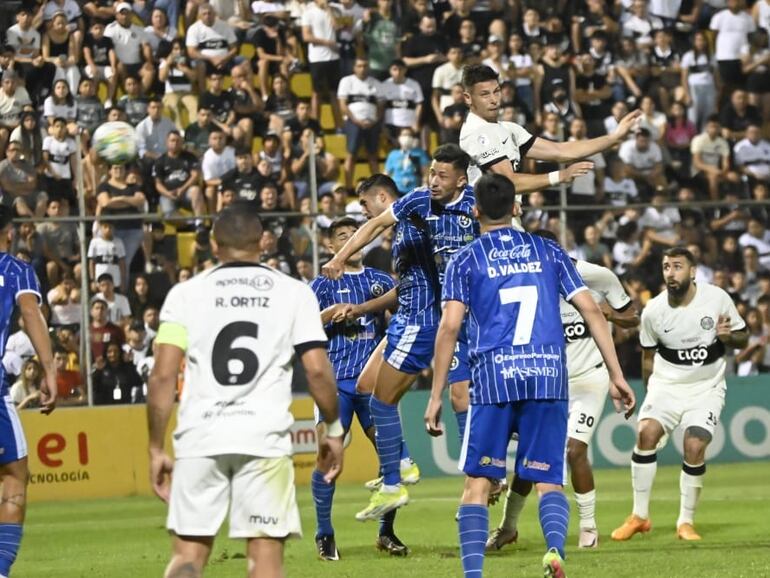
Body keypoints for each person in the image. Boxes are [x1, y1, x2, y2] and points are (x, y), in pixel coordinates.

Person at [423, 173, 635, 578]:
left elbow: (450, 327)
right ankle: (555, 552)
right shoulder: (548, 250)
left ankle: (473, 574)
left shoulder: (464, 259)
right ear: (516, 208)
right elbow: (592, 309)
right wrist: (617, 374)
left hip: (494, 379)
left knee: (478, 483)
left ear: (474, 211)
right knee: (548, 479)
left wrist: (436, 395)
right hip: (547, 376)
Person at [147, 201, 344, 577]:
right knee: (264, 562)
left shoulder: (185, 294)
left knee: (188, 555)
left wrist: (156, 448)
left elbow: (161, 377)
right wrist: (333, 430)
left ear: (212, 244)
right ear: (263, 242)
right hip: (263, 439)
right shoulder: (294, 293)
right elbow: (318, 372)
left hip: (199, 438)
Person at [322, 145, 479, 520]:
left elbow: (499, 192)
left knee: (443, 397)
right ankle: (403, 465)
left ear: (381, 197)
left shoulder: (421, 215)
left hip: (425, 319)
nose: (362, 214)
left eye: (364, 204)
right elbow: (402, 276)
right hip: (413, 317)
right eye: (432, 175)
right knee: (367, 387)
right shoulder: (411, 213)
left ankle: (403, 481)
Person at [487, 230, 640, 552]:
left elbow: (632, 316)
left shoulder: (597, 276)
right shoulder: (526, 280)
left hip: (589, 380)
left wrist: (603, 314)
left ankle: (588, 527)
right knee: (532, 458)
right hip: (548, 382)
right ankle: (508, 527)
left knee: (574, 450)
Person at [612, 247, 748, 543]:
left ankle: (685, 522)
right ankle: (639, 516)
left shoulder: (716, 299)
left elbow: (743, 336)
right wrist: (650, 396)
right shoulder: (654, 311)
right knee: (646, 433)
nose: (670, 273)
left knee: (695, 444)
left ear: (693, 271)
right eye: (666, 267)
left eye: (677, 267)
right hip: (667, 387)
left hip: (706, 388)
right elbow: (648, 357)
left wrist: (729, 337)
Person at [310, 217, 411, 559]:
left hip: (373, 384)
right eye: (342, 236)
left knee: (391, 457)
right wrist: (329, 315)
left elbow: (405, 316)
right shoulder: (321, 285)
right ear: (330, 247)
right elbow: (302, 327)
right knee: (328, 454)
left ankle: (387, 532)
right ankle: (324, 534)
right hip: (335, 382)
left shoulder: (382, 282)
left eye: (355, 234)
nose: (351, 239)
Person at [458, 64, 640, 221]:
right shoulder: (477, 133)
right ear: (468, 98)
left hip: (507, 220)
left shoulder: (508, 129)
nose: (493, 100)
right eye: (484, 94)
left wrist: (613, 137)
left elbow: (560, 150)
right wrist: (559, 177)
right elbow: (509, 181)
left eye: (496, 91)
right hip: (484, 225)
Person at [0, 204, 57, 578]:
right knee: (14, 473)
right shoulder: (16, 269)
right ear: (8, 232)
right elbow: (31, 312)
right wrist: (50, 368)